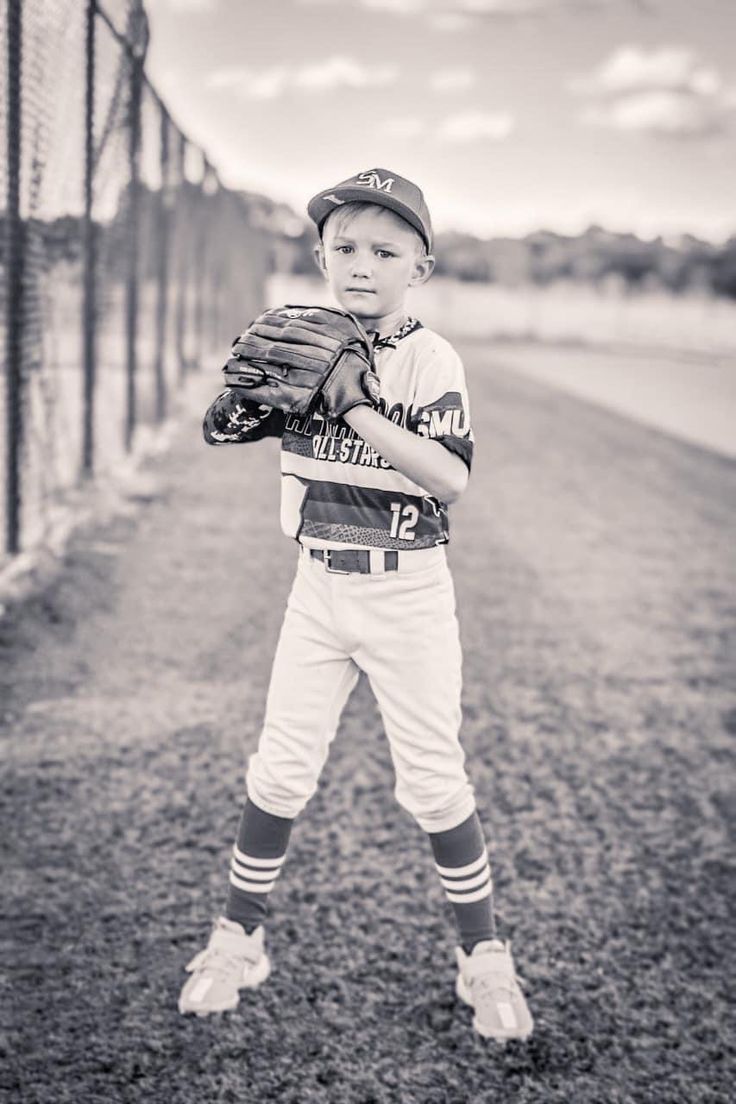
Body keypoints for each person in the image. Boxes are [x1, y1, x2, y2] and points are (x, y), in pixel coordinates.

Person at [178, 168, 534, 1042]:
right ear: (319, 257)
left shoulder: (428, 356)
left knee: (433, 780)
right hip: (318, 591)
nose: (360, 266)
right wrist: (235, 407)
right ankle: (238, 937)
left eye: (384, 250)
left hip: (408, 595)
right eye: (344, 249)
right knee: (281, 767)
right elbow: (228, 424)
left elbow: (451, 477)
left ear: (422, 265)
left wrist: (357, 407)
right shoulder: (303, 335)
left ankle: (481, 957)